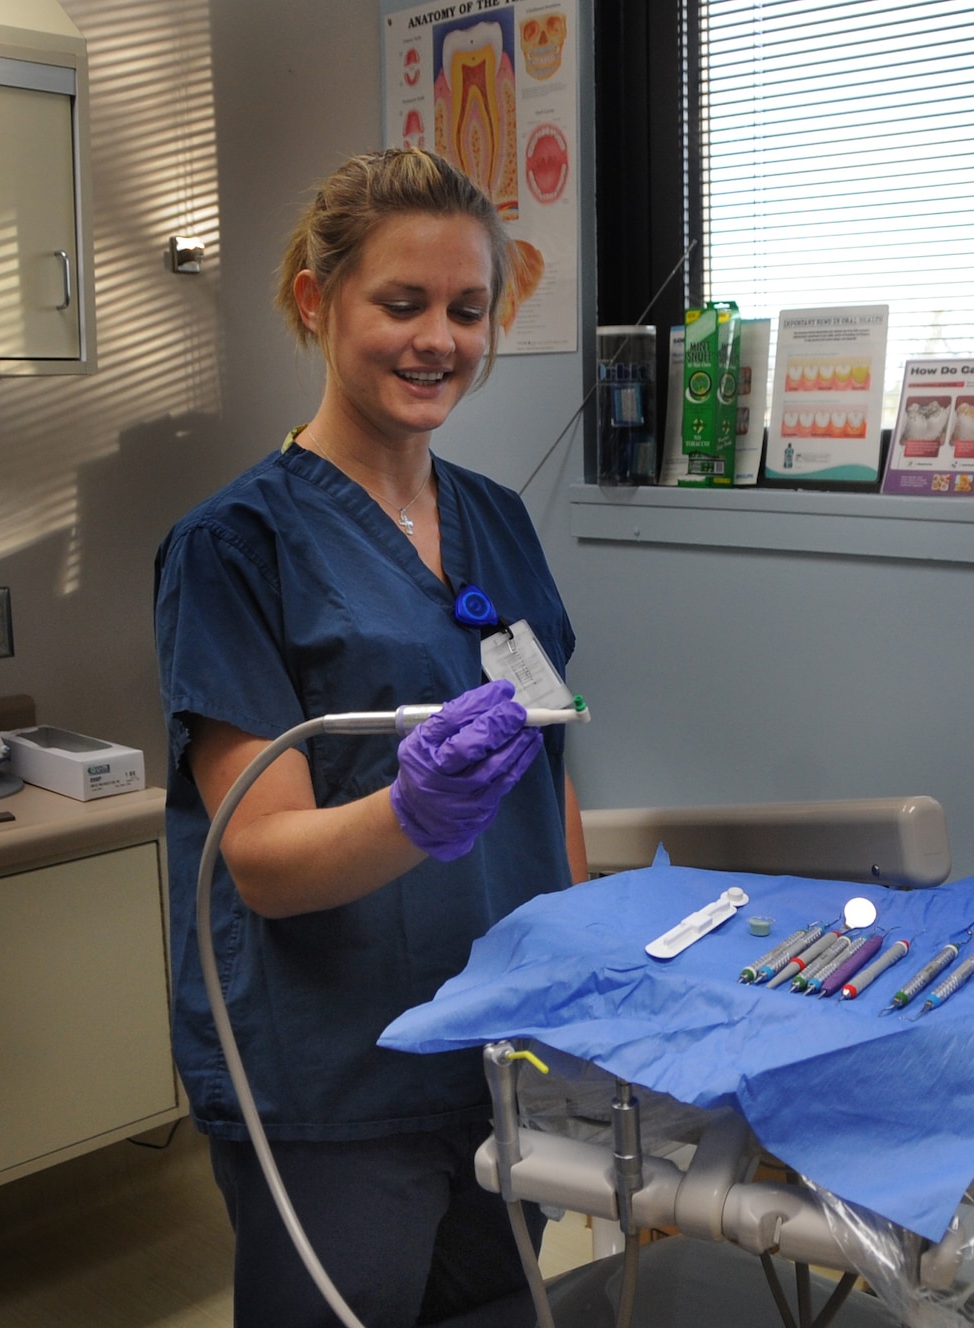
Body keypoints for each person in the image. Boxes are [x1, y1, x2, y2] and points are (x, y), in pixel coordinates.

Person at [154, 148, 585, 1328]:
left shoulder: (496, 519)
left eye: (465, 308)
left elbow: (550, 771)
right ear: (315, 299)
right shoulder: (235, 547)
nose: (436, 338)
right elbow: (263, 856)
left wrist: (580, 965)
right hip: (338, 1066)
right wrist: (412, 814)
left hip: (499, 1050)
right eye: (400, 303)